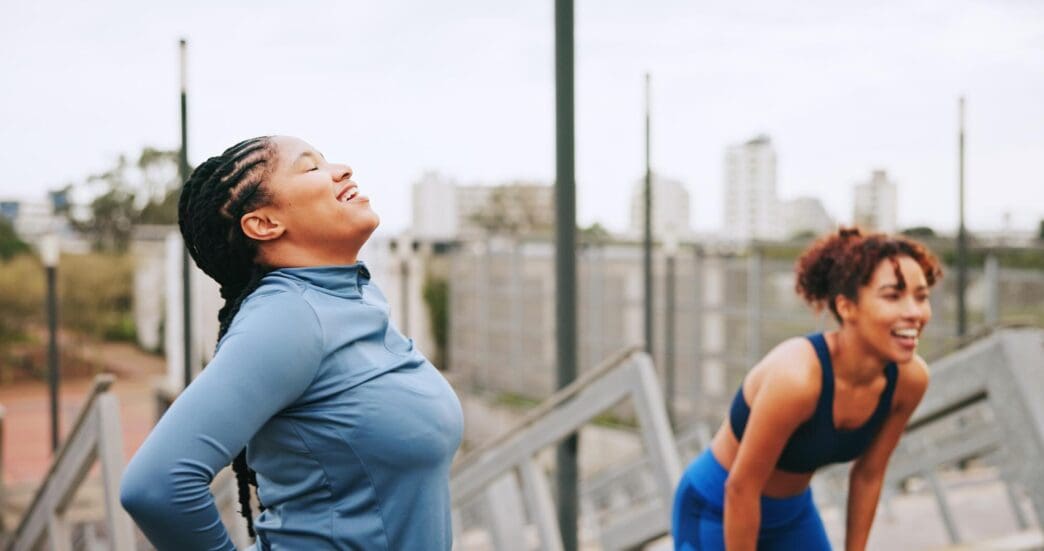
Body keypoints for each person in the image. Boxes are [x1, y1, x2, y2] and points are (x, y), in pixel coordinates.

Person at [120, 136, 463, 550]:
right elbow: (156, 486)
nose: (342, 169)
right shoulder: (288, 316)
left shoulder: (351, 297)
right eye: (310, 167)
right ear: (264, 224)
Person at [672, 228, 942, 550]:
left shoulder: (909, 382)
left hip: (793, 516)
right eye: (892, 295)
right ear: (846, 307)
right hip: (717, 507)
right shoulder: (797, 379)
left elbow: (869, 474)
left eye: (921, 296)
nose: (914, 312)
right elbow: (741, 488)